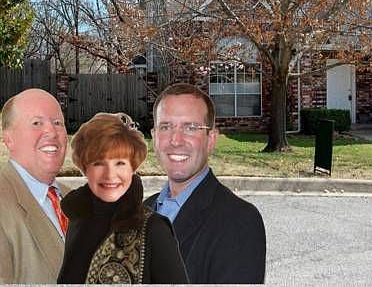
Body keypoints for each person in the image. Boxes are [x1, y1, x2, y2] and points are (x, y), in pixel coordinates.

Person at [144, 83, 266, 284]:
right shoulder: (144, 210)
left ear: (211, 140)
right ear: (154, 137)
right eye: (166, 127)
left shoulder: (239, 221)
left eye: (190, 127)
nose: (176, 140)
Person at [57, 112, 189, 284]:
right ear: (85, 168)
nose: (110, 175)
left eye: (120, 163)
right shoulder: (77, 220)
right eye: (98, 163)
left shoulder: (154, 229)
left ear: (132, 167)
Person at [0, 88, 69, 284]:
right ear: (9, 139)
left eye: (58, 123)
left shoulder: (76, 199)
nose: (51, 132)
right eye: (36, 123)